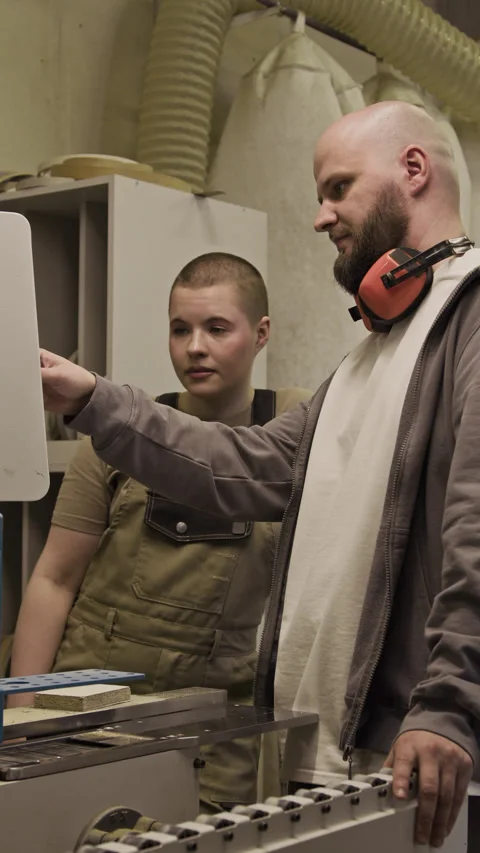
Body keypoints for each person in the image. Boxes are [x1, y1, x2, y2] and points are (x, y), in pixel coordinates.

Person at [40, 101, 480, 849]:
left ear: (413, 170)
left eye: (338, 188)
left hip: (415, 765)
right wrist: (92, 399)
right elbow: (239, 465)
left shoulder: (467, 315)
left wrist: (452, 704)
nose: (321, 216)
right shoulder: (366, 359)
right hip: (329, 757)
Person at [11, 251, 311, 810]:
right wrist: (24, 715)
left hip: (213, 725)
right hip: (91, 704)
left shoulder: (296, 432)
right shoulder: (114, 431)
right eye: (181, 329)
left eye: (217, 328)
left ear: (261, 332)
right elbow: (54, 578)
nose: (195, 347)